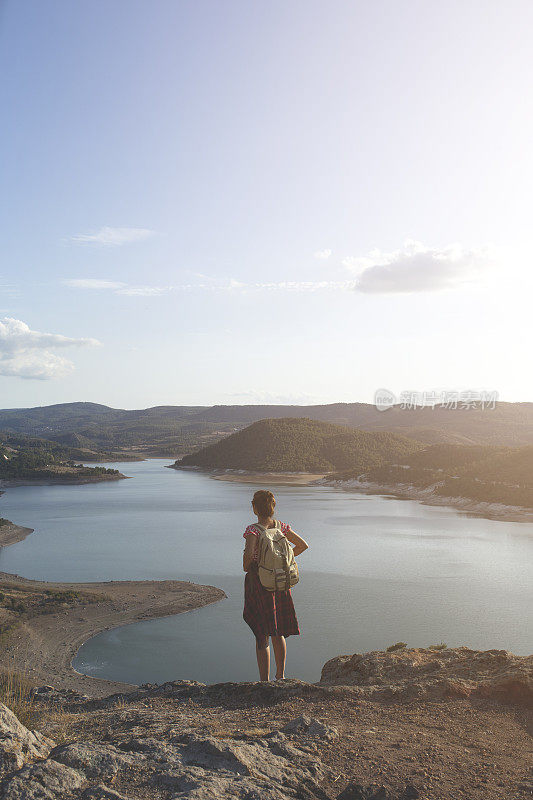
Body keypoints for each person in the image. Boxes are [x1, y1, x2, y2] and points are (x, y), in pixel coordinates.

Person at [243, 489, 309, 681]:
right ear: (273, 508)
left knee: (261, 633)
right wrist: (281, 562)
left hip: (259, 582)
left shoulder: (253, 530)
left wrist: (250, 566)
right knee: (277, 630)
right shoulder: (282, 527)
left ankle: (264, 681)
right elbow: (303, 545)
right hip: (280, 582)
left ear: (255, 508)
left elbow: (248, 555)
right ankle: (280, 676)